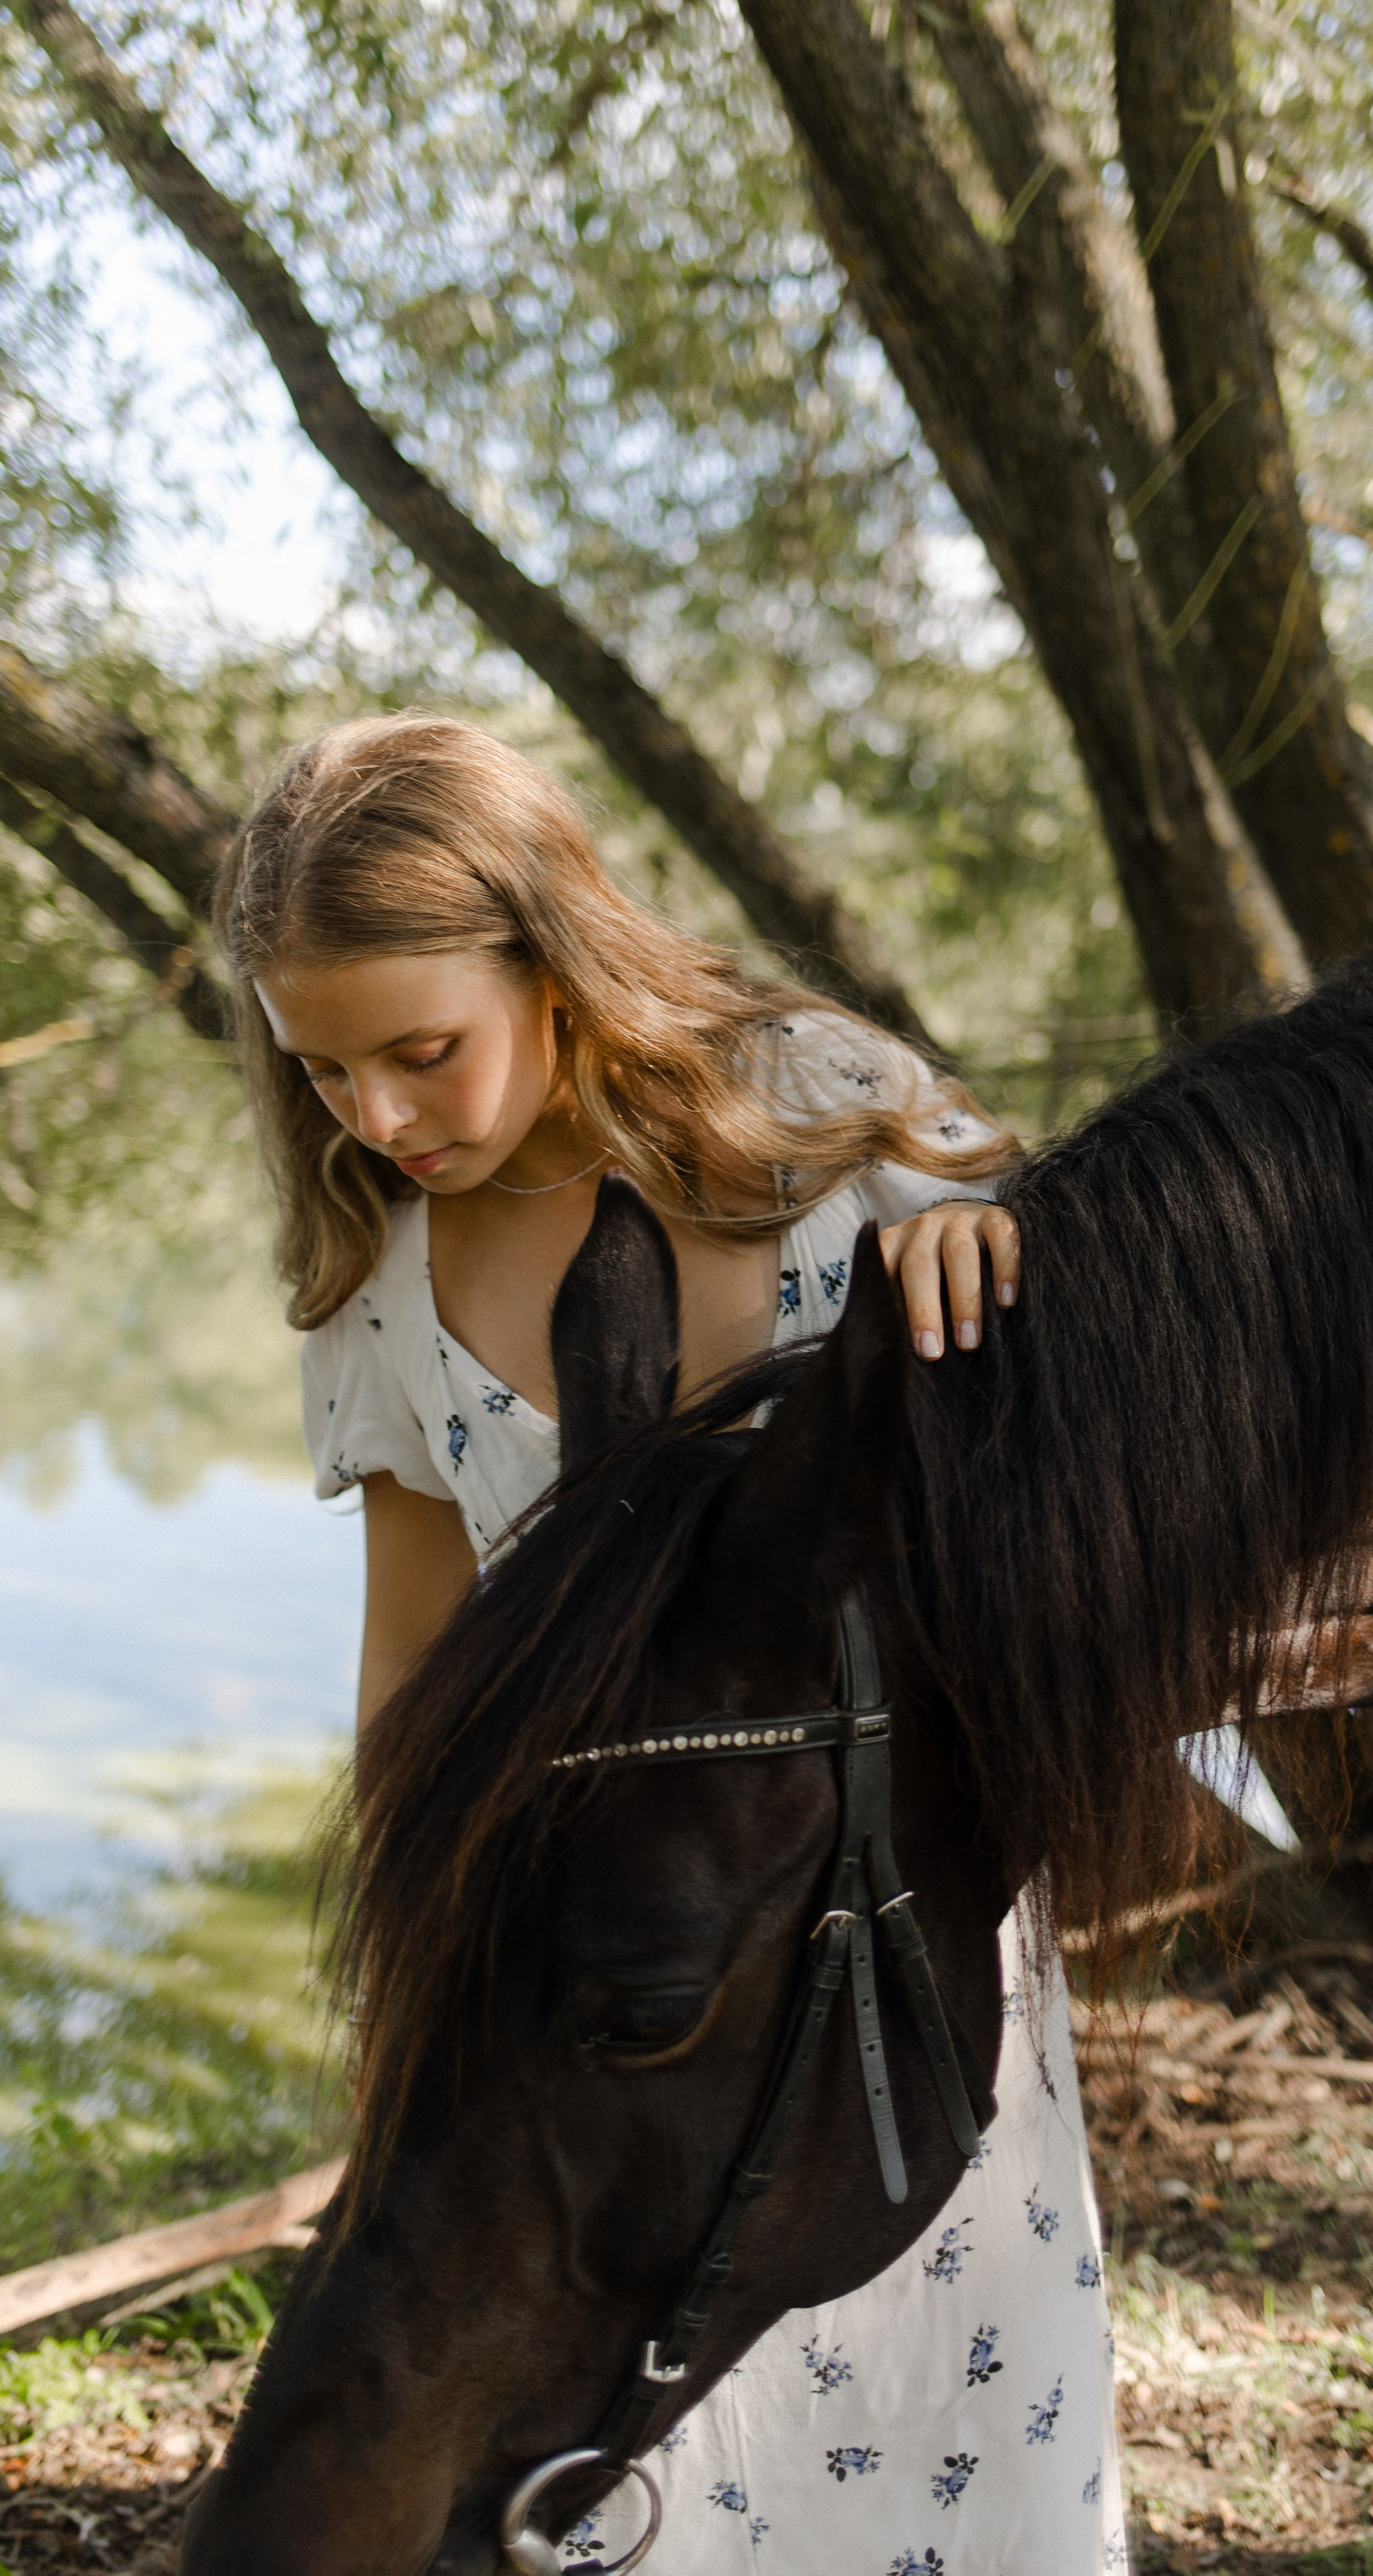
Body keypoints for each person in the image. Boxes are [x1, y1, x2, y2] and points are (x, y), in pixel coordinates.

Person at [221, 714, 1125, 2575]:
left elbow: (1095, 1373)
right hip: (611, 1963)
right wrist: (414, 2013)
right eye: (324, 1073)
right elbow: (416, 1657)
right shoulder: (380, 1279)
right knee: (637, 2425)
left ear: (552, 964)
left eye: (421, 1052)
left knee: (943, 2378)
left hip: (872, 1907)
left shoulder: (826, 1095)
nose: (379, 1117)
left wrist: (989, 1253)